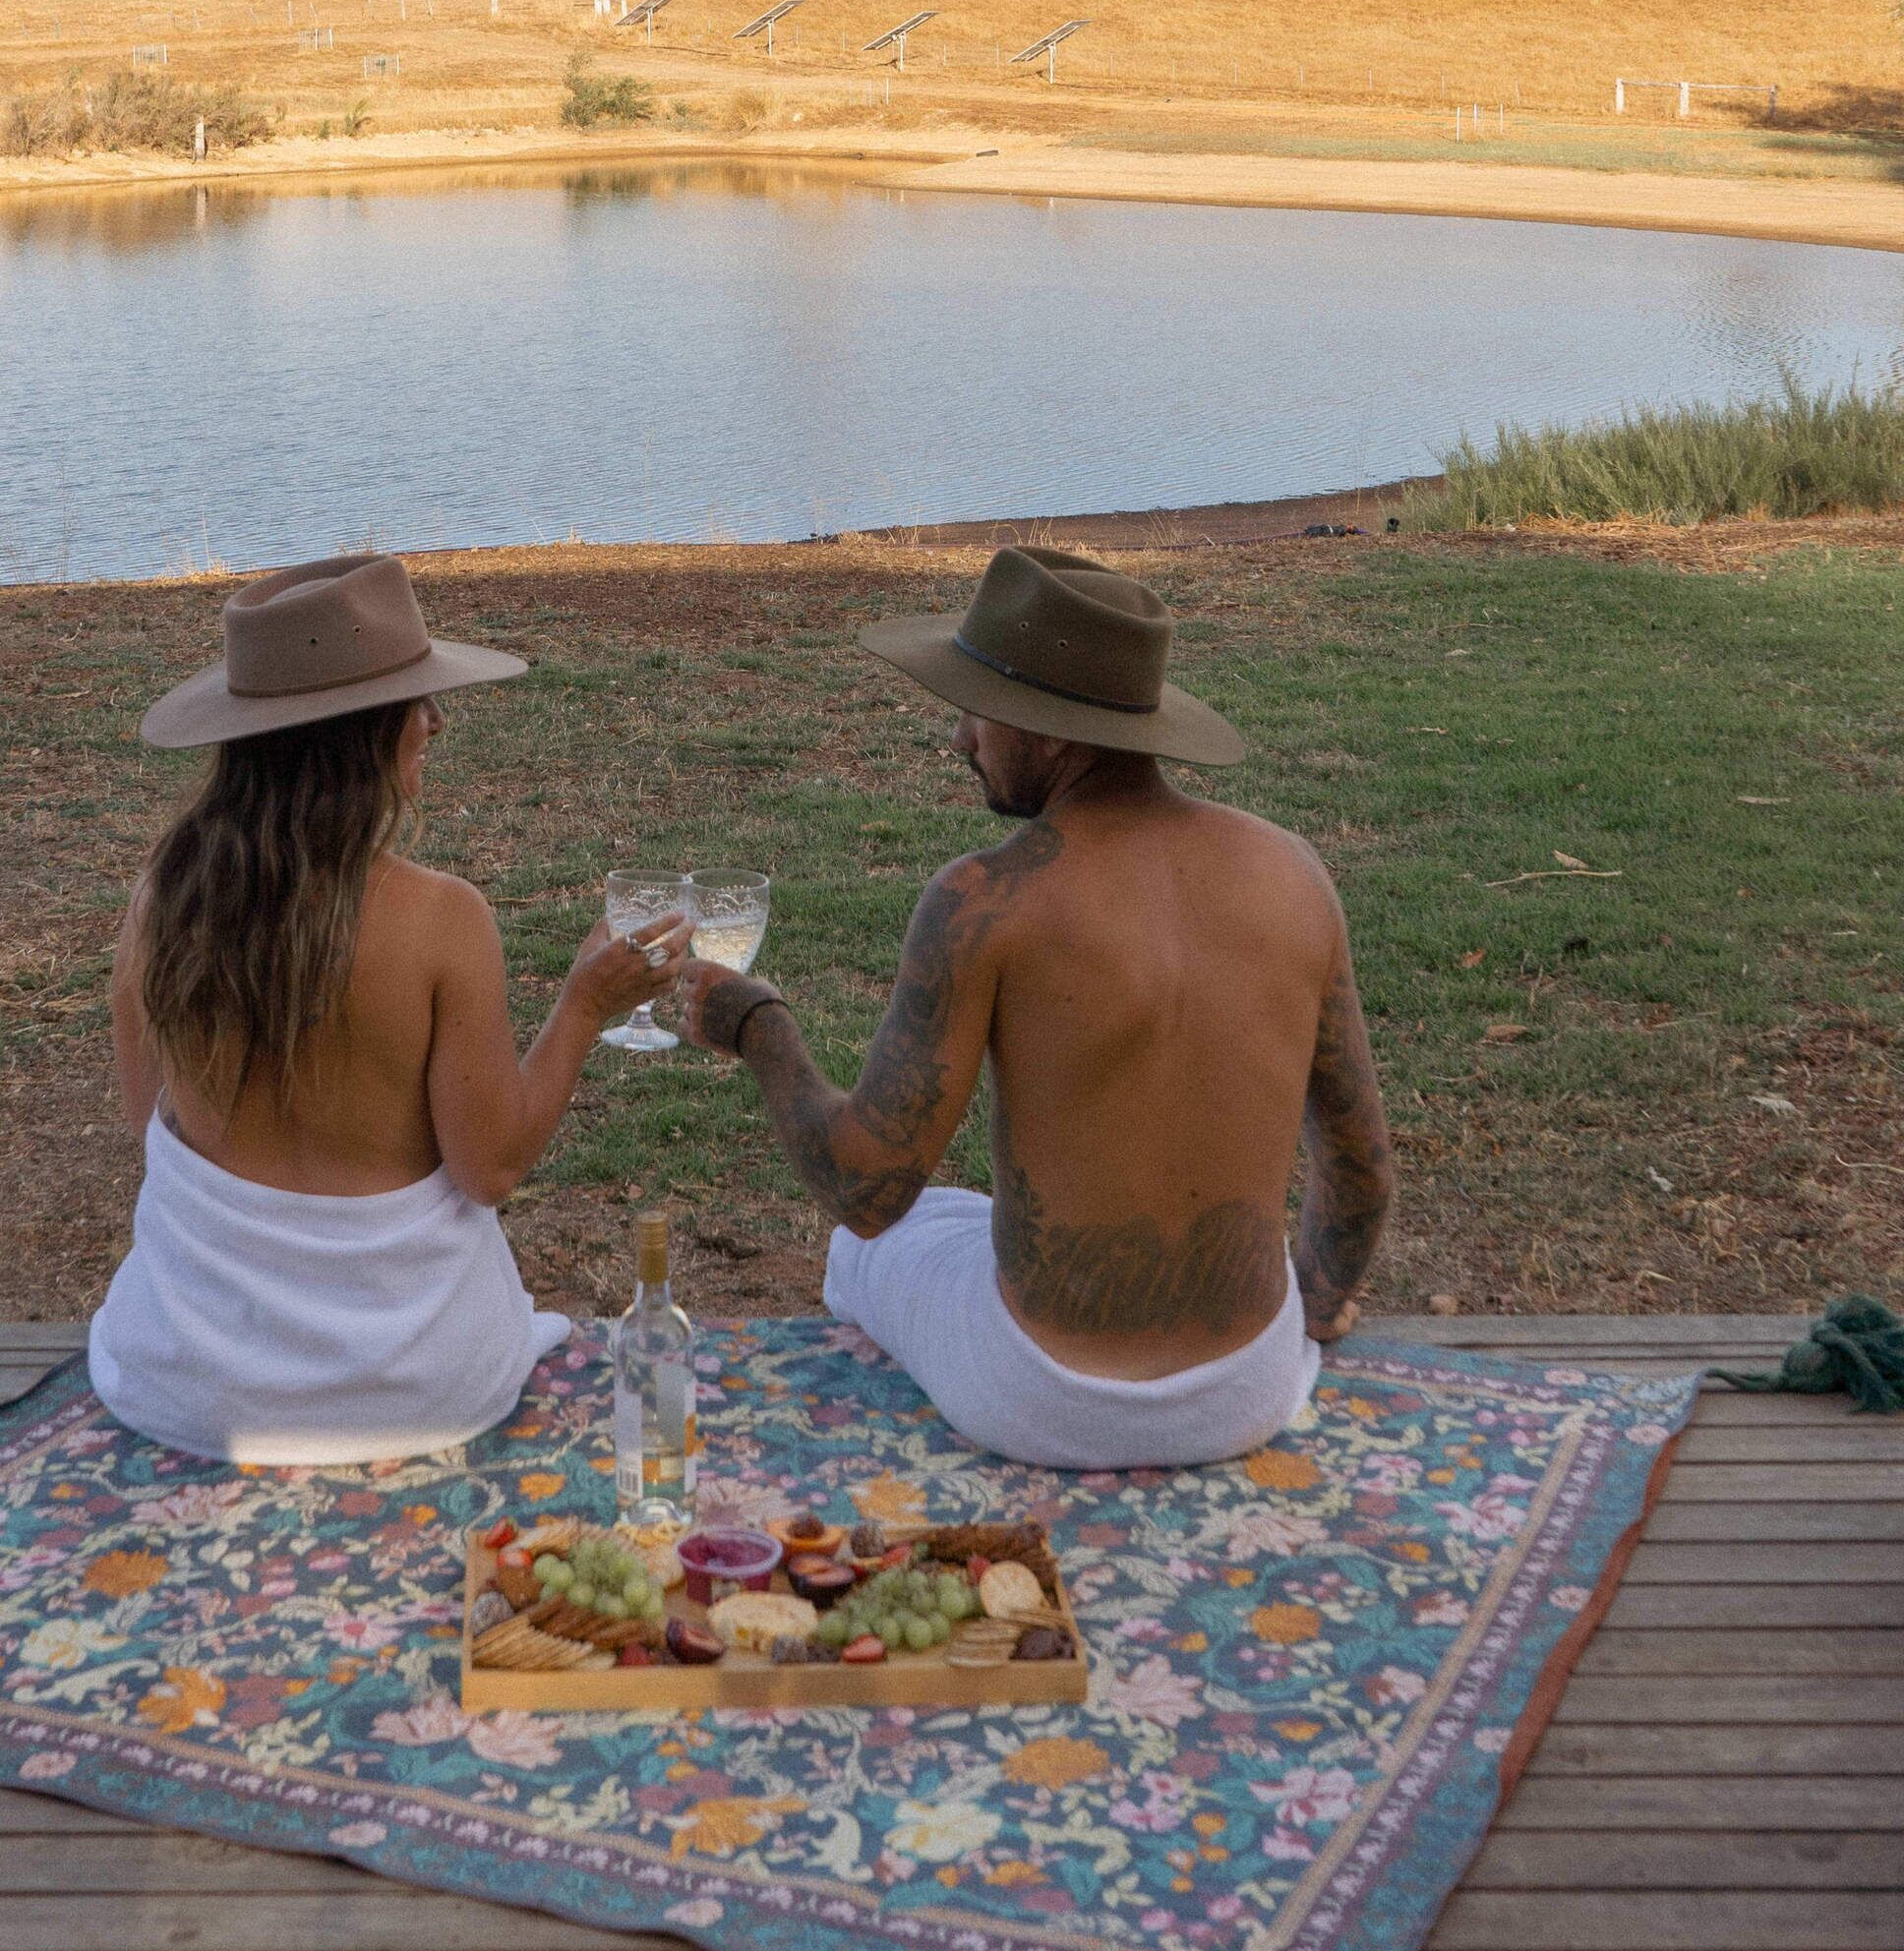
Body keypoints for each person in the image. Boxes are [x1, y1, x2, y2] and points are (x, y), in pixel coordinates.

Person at [674, 547, 1394, 1472]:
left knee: (876, 1251)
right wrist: (1320, 1303)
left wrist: (757, 1026)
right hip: (1248, 1394)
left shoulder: (988, 900)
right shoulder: (1294, 875)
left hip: (1043, 1398)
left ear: (1049, 735)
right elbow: (1362, 1172)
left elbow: (866, 1188)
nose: (961, 740)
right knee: (964, 1220)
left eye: (979, 713)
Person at [88, 551, 682, 1464]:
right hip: (419, 1386)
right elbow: (491, 1169)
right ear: (362, 736)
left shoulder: (157, 904)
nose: (436, 724)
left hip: (190, 1385)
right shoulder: (444, 921)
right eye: (418, 702)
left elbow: (155, 1136)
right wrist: (581, 1008)